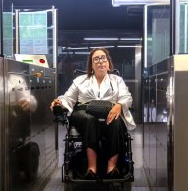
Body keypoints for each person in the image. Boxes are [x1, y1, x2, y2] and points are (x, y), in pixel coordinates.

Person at [50, 48, 136, 179]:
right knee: (90, 119)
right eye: (96, 59)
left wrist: (119, 105)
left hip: (109, 111)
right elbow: (68, 98)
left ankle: (112, 167)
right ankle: (92, 167)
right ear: (91, 64)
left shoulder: (117, 80)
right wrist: (59, 103)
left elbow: (127, 97)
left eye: (103, 58)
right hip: (84, 111)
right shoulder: (80, 80)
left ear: (108, 62)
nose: (100, 61)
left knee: (116, 121)